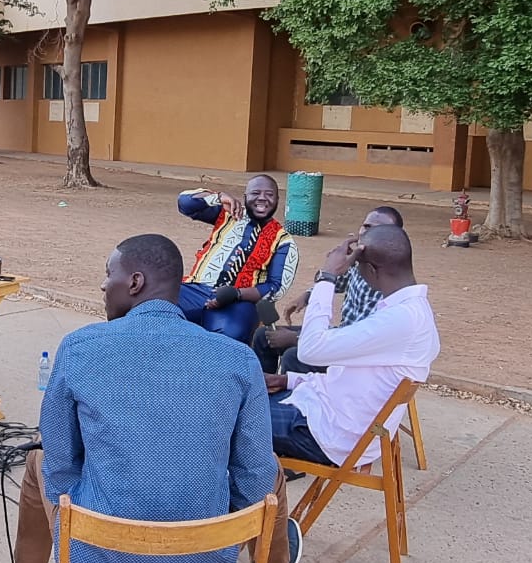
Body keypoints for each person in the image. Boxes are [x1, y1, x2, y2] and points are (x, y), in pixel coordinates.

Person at [3, 234, 301, 563]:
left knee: (39, 463)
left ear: (134, 282)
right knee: (267, 471)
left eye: (108, 273)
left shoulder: (80, 347)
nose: (102, 284)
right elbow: (252, 479)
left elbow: (61, 463)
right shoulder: (237, 358)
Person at [264, 224, 440, 469]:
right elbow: (352, 383)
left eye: (357, 266)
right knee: (230, 398)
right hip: (323, 414)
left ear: (371, 269)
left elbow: (310, 349)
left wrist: (327, 277)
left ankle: (241, 500)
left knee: (216, 414)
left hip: (328, 435)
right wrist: (290, 381)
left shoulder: (402, 320)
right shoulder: (407, 311)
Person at [252, 206, 404, 374]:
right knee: (263, 336)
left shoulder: (387, 280)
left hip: (354, 356)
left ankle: (291, 398)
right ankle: (262, 394)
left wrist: (297, 339)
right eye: (365, 226)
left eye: (376, 229)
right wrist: (309, 293)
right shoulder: (360, 260)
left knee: (294, 356)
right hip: (340, 335)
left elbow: (356, 342)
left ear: (393, 238)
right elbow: (334, 282)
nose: (365, 232)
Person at [177, 175, 299, 343]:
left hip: (238, 302)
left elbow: (276, 287)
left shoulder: (283, 241)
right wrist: (219, 197)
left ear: (277, 199)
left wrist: (236, 294)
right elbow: (185, 203)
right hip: (195, 289)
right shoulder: (228, 215)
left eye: (269, 194)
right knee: (152, 306)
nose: (262, 198)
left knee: (230, 336)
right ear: (245, 197)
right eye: (255, 193)